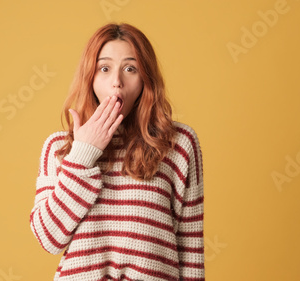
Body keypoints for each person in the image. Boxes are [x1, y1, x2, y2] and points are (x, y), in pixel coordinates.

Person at [29, 23, 205, 281]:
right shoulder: (60, 147)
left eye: (130, 69)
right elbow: (49, 239)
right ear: (90, 77)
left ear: (146, 79)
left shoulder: (179, 143)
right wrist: (83, 154)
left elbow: (190, 251)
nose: (117, 82)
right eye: (104, 68)